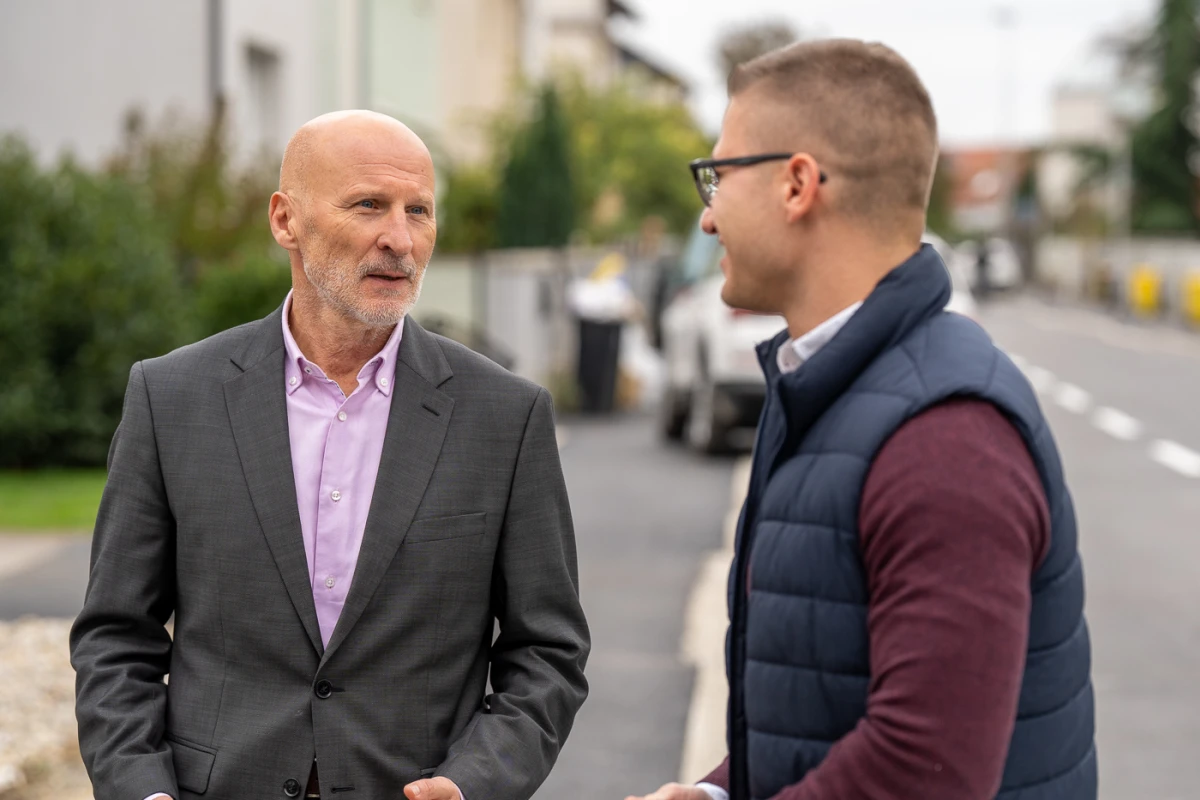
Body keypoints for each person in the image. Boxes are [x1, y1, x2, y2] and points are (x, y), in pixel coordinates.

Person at [70, 111, 590, 800]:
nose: (399, 239)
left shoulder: (507, 416)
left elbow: (547, 654)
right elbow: (116, 637)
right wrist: (141, 787)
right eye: (369, 205)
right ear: (286, 220)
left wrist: (473, 783)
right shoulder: (171, 399)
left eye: (420, 211)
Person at [629, 39, 1095, 800]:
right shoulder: (828, 390)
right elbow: (822, 697)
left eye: (718, 176)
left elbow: (923, 771)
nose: (707, 217)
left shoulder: (946, 436)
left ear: (797, 184)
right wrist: (720, 791)